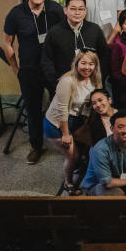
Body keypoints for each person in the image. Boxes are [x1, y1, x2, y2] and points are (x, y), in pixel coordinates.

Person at [44, 51, 102, 193]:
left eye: (91, 64)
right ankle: (68, 182)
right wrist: (65, 133)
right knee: (72, 155)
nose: (87, 67)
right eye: (83, 63)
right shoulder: (68, 80)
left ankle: (86, 170)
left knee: (96, 143)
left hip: (77, 120)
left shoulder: (95, 80)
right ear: (76, 64)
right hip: (58, 123)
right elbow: (62, 109)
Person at [41, 0, 109, 88]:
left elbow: (104, 57)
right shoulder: (54, 32)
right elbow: (47, 60)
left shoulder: (95, 30)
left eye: (81, 9)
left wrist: (98, 79)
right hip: (64, 85)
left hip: (91, 84)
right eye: (73, 9)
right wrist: (56, 83)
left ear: (85, 11)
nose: (77, 13)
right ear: (65, 10)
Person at [82, 111, 126, 196]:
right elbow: (107, 182)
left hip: (123, 183)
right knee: (117, 193)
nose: (125, 131)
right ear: (112, 129)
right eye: (120, 127)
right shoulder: (100, 149)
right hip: (98, 185)